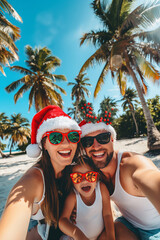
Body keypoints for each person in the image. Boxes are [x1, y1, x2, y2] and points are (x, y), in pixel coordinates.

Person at [0, 105, 82, 240]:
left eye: (73, 136)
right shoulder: (34, 180)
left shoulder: (72, 168)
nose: (66, 144)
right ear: (44, 144)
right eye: (56, 137)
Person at [79, 117, 160, 240]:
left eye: (103, 138)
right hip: (127, 224)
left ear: (112, 139)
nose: (96, 146)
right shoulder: (93, 172)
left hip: (156, 229)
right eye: (88, 142)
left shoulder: (132, 164)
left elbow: (151, 178)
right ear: (84, 148)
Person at [59, 155, 115, 240]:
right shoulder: (73, 197)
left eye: (90, 176)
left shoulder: (101, 189)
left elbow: (107, 214)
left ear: (96, 177)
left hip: (100, 236)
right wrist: (77, 235)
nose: (84, 180)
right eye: (77, 177)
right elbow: (63, 220)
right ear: (72, 181)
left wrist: (111, 237)